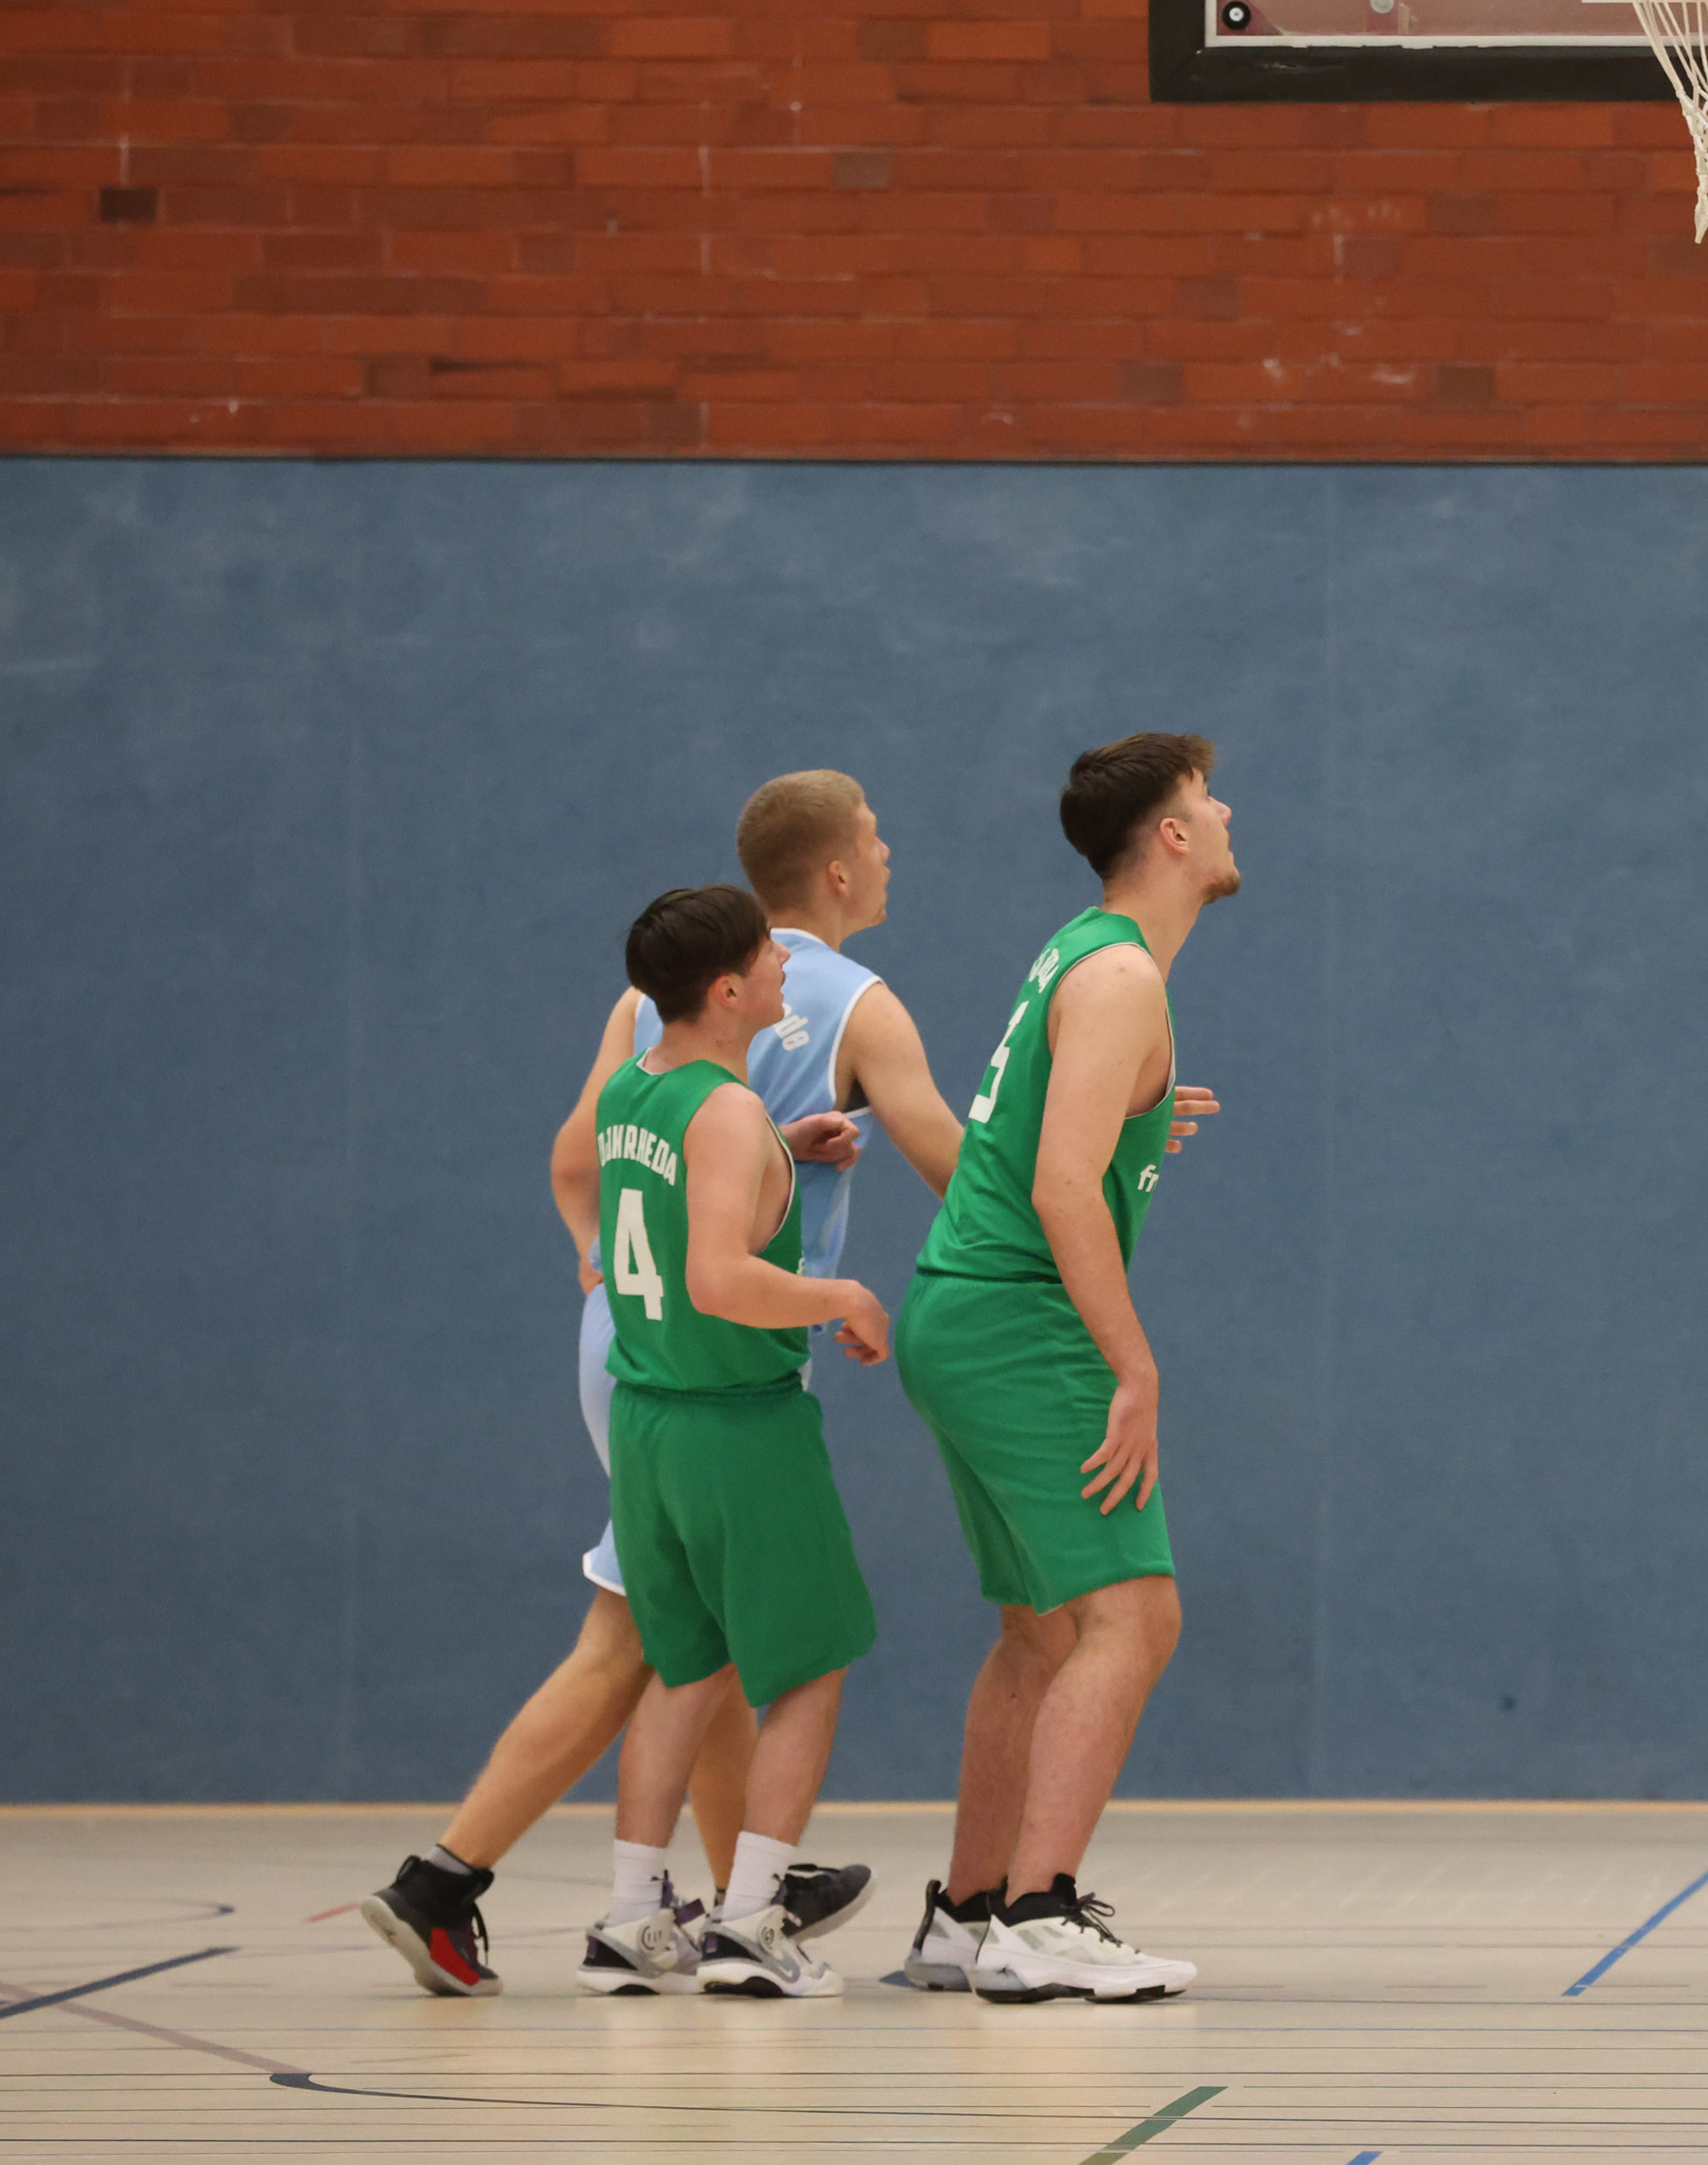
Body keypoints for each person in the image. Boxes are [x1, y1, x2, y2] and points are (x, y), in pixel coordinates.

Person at [360, 771, 960, 1996]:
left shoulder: (648, 1005)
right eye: (876, 838)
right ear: (835, 871)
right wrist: (1085, 1169)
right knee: (652, 1641)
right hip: (722, 1361)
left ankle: (724, 1889)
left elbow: (575, 1160)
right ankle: (461, 1879)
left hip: (626, 1339)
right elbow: (955, 1165)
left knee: (689, 1636)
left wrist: (595, 1254)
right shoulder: (859, 1004)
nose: (890, 852)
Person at [894, 734, 1239, 2003]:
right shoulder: (1122, 975)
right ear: (1172, 836)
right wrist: (1133, 1366)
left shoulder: (1083, 955)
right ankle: (1039, 1918)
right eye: (1208, 798)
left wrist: (1140, 1113)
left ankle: (967, 1913)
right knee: (1134, 1616)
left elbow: (1054, 1133)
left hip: (961, 1309)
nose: (1226, 813)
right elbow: (1057, 1187)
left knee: (1040, 1630)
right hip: (1016, 1317)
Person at [581, 885, 893, 2001]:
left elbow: (677, 1201)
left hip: (648, 1419)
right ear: (726, 990)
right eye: (767, 956)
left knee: (687, 1667)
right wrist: (842, 1293)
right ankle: (755, 1920)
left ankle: (632, 1920)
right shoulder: (723, 1110)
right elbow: (718, 1277)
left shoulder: (636, 1086)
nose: (783, 968)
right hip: (736, 1421)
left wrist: (777, 1154)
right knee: (807, 1667)